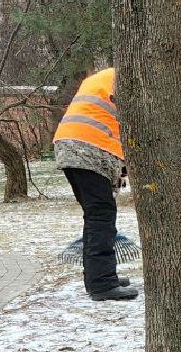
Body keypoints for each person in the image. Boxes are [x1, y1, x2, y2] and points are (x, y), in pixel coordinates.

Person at [53, 68, 138, 302]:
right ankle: (102, 283)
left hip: (69, 146)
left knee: (96, 215)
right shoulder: (132, 77)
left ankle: (98, 276)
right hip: (88, 149)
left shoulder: (105, 77)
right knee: (101, 215)